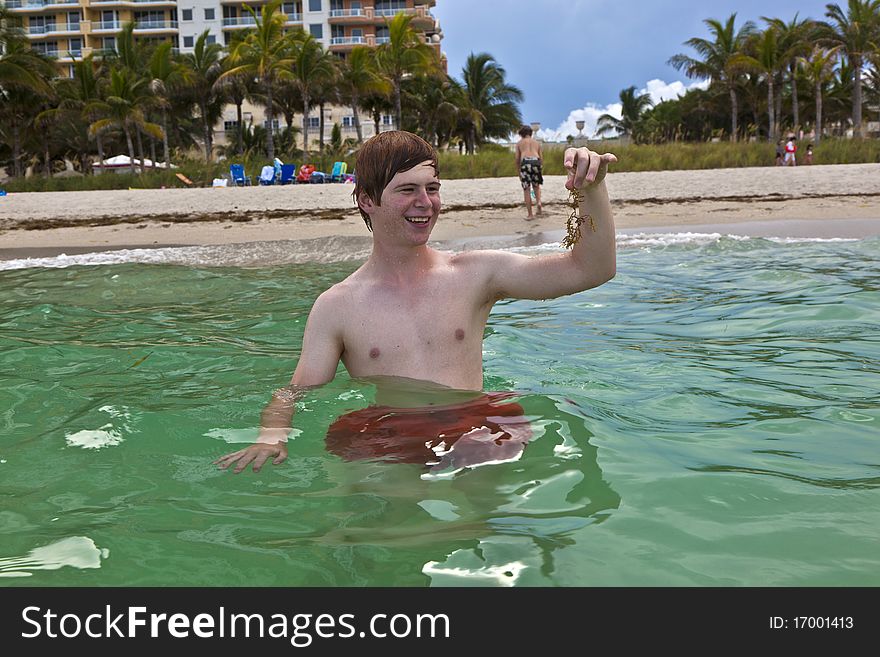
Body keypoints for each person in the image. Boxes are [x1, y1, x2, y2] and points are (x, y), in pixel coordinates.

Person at [214, 130, 617, 474]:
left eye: (432, 188)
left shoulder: (475, 274)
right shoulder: (337, 306)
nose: (425, 202)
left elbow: (590, 269)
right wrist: (271, 436)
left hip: (473, 427)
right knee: (376, 536)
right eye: (407, 190)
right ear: (367, 200)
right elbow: (295, 391)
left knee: (482, 530)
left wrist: (592, 191)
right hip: (391, 434)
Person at [515, 125, 544, 219]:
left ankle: (530, 214)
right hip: (536, 161)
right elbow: (541, 157)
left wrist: (518, 171)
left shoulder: (519, 143)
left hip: (526, 162)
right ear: (530, 133)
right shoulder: (536, 143)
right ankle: (539, 202)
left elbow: (517, 159)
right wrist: (540, 167)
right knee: (536, 186)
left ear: (521, 134)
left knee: (527, 189)